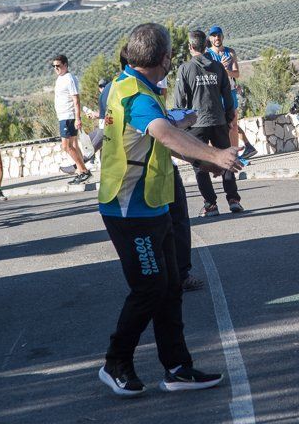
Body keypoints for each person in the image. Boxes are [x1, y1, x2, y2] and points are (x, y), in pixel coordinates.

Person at [98, 23, 242, 396]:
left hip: (153, 201)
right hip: (128, 208)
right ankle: (116, 363)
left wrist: (203, 163)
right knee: (149, 287)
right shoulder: (138, 97)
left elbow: (159, 142)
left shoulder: (129, 85)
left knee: (170, 284)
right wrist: (215, 154)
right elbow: (163, 131)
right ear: (165, 58)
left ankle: (177, 368)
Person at [174, 30, 243, 216]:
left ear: (190, 47)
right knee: (227, 159)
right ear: (206, 46)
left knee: (199, 164)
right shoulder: (218, 67)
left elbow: (179, 101)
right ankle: (233, 199)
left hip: (196, 124)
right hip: (218, 120)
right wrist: (229, 118)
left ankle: (210, 204)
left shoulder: (185, 69)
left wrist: (181, 126)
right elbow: (227, 95)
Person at [205, 26, 258, 161]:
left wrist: (224, 70)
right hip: (216, 93)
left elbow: (237, 73)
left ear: (222, 37)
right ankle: (220, 157)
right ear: (210, 38)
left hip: (230, 91)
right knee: (218, 126)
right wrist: (219, 67)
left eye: (219, 35)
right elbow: (208, 75)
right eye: (214, 35)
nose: (217, 38)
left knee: (233, 125)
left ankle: (235, 157)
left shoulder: (231, 52)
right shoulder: (207, 55)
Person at [52, 54, 91, 184]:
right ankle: (81, 172)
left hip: (68, 116)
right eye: (54, 66)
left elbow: (76, 99)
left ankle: (84, 171)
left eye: (58, 65)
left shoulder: (69, 78)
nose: (56, 68)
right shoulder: (60, 79)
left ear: (65, 65)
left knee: (66, 146)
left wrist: (78, 118)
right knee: (74, 145)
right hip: (62, 116)